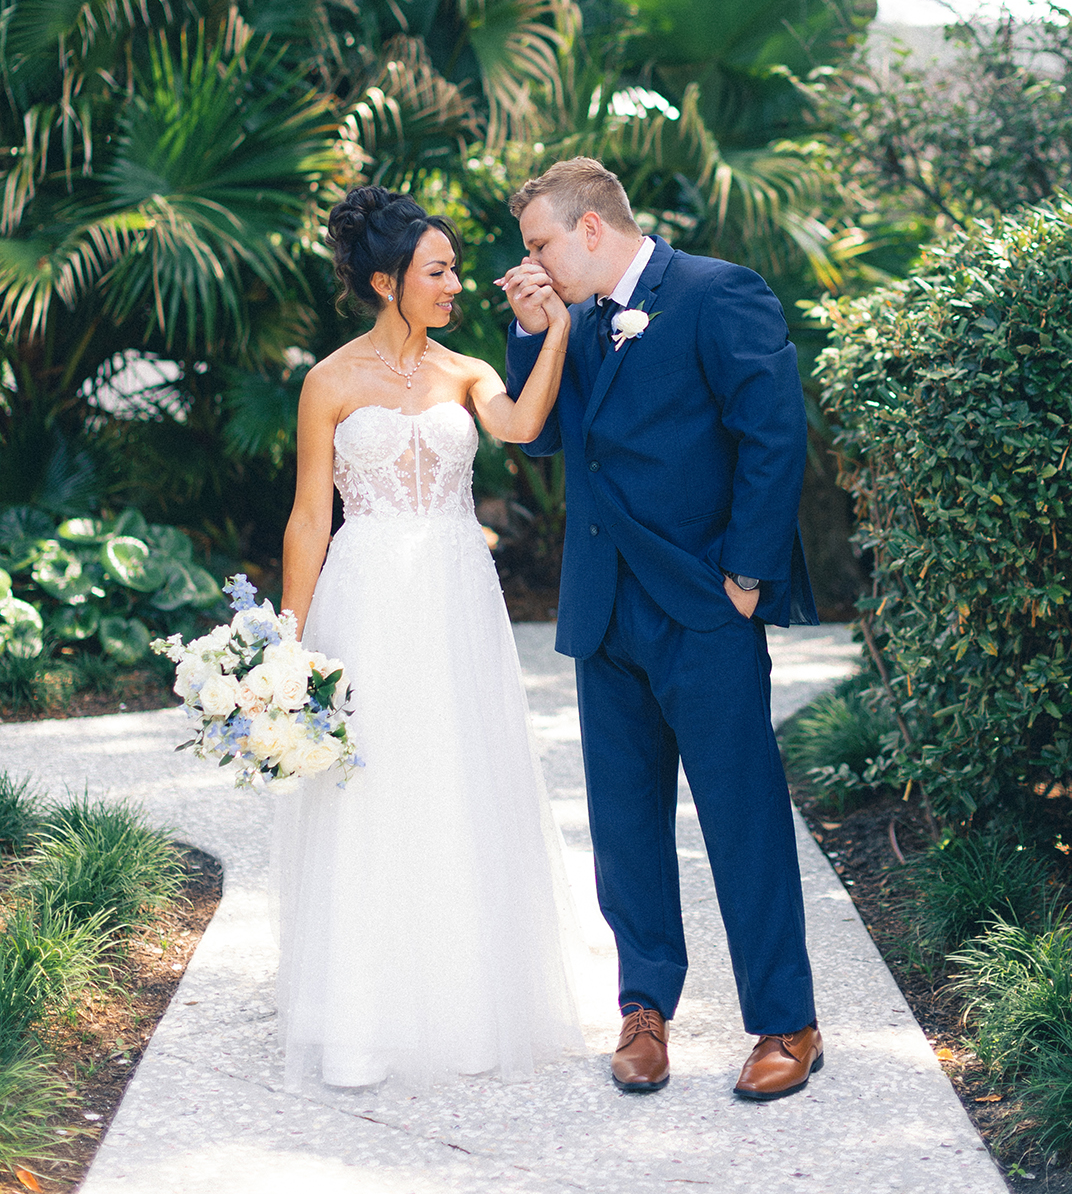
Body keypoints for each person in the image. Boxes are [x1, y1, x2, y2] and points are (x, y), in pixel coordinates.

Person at [500, 157, 823, 1101]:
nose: (534, 264)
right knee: (625, 828)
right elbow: (545, 433)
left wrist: (748, 577)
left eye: (539, 246)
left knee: (743, 818)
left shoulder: (720, 294)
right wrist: (532, 336)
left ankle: (788, 1022)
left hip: (704, 609)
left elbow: (774, 433)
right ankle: (645, 1010)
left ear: (591, 228)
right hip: (606, 612)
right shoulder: (576, 319)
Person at [275, 185, 582, 1092]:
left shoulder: (466, 370)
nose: (455, 283)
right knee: (372, 787)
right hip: (365, 594)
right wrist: (288, 648)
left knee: (455, 774)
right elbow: (307, 519)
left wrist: (555, 329)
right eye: (437, 271)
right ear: (385, 281)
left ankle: (469, 1007)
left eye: (452, 268)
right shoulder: (327, 381)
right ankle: (361, 1020)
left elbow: (524, 426)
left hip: (454, 591)